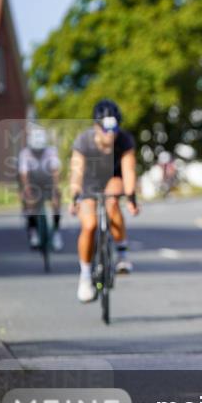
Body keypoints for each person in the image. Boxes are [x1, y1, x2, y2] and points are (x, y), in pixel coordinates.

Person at [68, 99, 139, 303]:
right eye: (106, 129)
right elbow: (76, 171)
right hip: (88, 182)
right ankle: (85, 275)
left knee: (113, 200)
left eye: (114, 128)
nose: (111, 134)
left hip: (112, 178)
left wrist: (132, 197)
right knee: (89, 225)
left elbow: (128, 170)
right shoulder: (84, 141)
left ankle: (122, 253)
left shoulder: (124, 140)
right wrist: (74, 197)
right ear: (96, 127)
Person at [19, 124, 64, 251]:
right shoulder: (25, 153)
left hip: (47, 179)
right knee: (29, 199)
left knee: (56, 199)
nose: (38, 153)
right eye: (36, 150)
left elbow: (55, 171)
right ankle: (33, 231)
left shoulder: (51, 151)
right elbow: (24, 174)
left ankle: (56, 232)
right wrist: (27, 189)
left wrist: (55, 188)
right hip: (32, 181)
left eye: (41, 150)